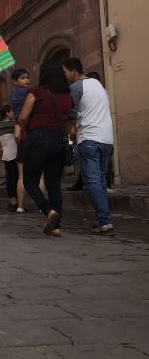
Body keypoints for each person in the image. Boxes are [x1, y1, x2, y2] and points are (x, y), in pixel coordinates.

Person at [17, 60, 73, 237]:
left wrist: (27, 127)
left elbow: (23, 117)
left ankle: (48, 211)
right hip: (59, 140)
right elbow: (71, 122)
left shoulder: (36, 92)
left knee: (29, 181)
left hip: (39, 138)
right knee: (54, 185)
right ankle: (56, 226)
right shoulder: (67, 96)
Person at [62, 58, 114, 234]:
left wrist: (69, 131)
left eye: (65, 72)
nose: (65, 76)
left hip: (89, 138)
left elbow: (71, 114)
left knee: (92, 182)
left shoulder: (76, 87)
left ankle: (105, 221)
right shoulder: (101, 87)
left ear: (73, 71)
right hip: (106, 139)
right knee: (100, 180)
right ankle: (103, 219)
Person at [9, 67, 30, 212]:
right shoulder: (28, 93)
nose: (27, 80)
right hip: (31, 133)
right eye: (23, 78)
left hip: (22, 135)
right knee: (39, 175)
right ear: (15, 81)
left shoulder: (12, 95)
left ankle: (21, 206)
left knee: (21, 175)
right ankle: (42, 207)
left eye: (27, 77)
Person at [0, 105, 18, 211]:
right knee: (15, 178)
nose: (13, 113)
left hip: (5, 154)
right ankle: (14, 201)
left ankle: (10, 200)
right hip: (13, 153)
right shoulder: (11, 124)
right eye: (12, 111)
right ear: (7, 113)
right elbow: (17, 136)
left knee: (9, 178)